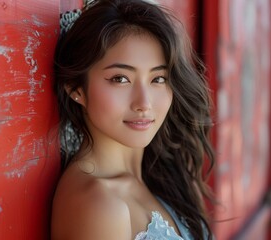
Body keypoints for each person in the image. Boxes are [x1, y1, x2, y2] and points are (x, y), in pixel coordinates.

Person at [51, 0, 215, 239]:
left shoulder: (164, 175)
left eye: (158, 79)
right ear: (76, 88)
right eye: (120, 79)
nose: (144, 103)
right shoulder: (100, 204)